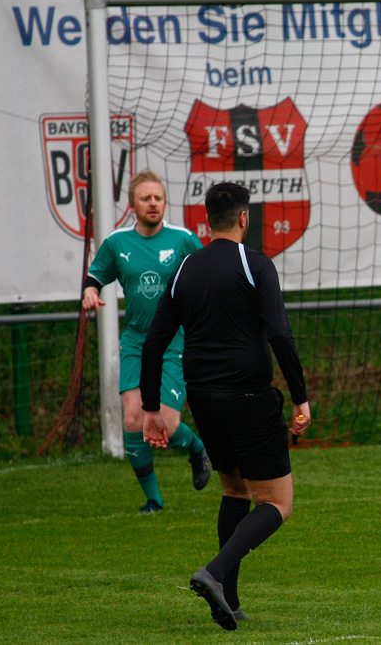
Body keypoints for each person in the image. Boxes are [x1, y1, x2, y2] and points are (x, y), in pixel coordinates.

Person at [140, 182, 311, 631]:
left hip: (204, 398)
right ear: (244, 218)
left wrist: (152, 407)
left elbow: (155, 341)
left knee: (235, 491)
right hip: (249, 397)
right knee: (277, 503)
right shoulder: (255, 264)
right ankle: (213, 573)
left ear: (205, 221)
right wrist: (301, 396)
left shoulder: (186, 268)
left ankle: (230, 601)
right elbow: (279, 334)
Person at [81, 170, 209, 513]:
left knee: (166, 422)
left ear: (165, 202)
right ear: (133, 204)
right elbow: (95, 277)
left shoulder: (183, 240)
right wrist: (90, 293)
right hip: (136, 341)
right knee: (134, 421)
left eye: (158, 198)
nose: (153, 203)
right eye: (146, 198)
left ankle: (196, 447)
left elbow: (207, 277)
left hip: (174, 343)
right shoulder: (117, 242)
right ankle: (153, 500)